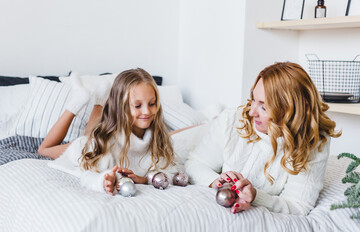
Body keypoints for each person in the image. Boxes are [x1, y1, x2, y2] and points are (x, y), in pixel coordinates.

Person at [184, 62, 341, 215]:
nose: (252, 112)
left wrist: (256, 196)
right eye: (253, 100)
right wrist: (217, 182)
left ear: (290, 113)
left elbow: (298, 205)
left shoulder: (314, 142)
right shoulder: (232, 120)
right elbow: (195, 163)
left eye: (264, 107)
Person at [46, 68, 177, 195]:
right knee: (45, 149)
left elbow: (171, 172)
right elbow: (89, 175)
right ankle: (79, 101)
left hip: (103, 135)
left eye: (152, 103)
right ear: (121, 107)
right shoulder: (100, 142)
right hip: (90, 146)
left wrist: (145, 179)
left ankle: (99, 99)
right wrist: (103, 180)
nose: (147, 111)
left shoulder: (159, 138)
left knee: (93, 132)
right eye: (137, 106)